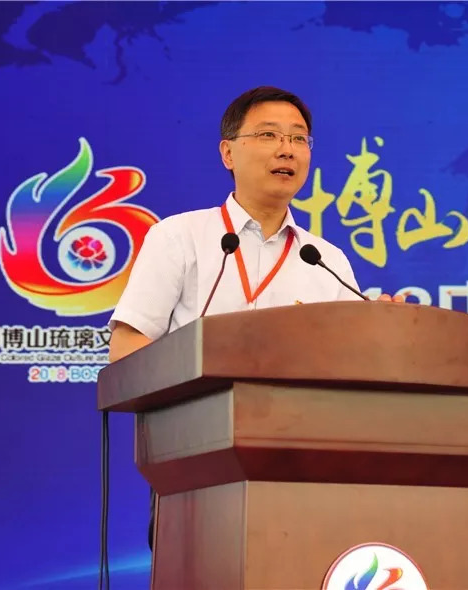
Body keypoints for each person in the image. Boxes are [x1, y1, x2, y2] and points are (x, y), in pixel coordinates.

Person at [106, 86, 405, 549]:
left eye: (299, 138)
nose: (287, 149)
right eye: (269, 135)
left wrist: (379, 334)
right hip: (194, 459)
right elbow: (127, 351)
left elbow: (349, 374)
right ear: (228, 152)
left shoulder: (325, 259)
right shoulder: (180, 237)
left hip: (302, 469)